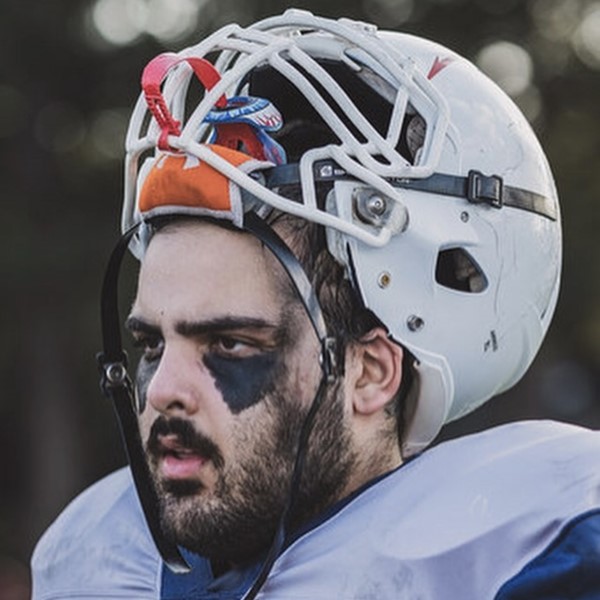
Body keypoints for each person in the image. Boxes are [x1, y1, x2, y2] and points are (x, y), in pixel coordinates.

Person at [31, 9, 600, 599]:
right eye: (151, 343)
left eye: (229, 344)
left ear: (371, 373)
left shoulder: (528, 556)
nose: (159, 390)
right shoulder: (95, 563)